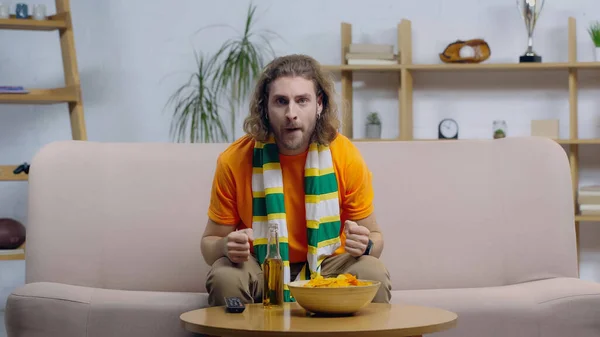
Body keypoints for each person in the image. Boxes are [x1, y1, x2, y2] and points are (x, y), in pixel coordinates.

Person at [200, 54, 391, 306]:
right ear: (265, 108)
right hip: (262, 264)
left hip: (328, 264)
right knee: (225, 275)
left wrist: (365, 245)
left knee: (372, 271)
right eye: (281, 101)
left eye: (302, 101)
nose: (291, 113)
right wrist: (225, 246)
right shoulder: (234, 160)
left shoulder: (345, 155)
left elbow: (376, 238)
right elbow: (208, 244)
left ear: (319, 104)